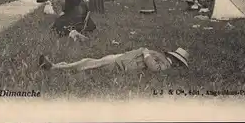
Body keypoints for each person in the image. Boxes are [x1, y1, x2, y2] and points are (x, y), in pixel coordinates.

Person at [39, 47, 189, 73]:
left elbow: (154, 68)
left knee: (88, 63)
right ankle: (58, 66)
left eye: (174, 57)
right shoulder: (164, 59)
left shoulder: (165, 65)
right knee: (89, 60)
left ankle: (53, 67)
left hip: (123, 63)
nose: (171, 57)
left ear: (176, 62)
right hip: (123, 58)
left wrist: (146, 54)